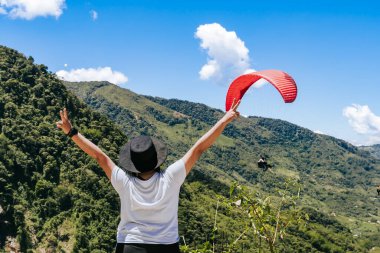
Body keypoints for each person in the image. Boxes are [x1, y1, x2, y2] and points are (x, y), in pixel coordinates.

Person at [55, 99, 241, 253]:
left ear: (132, 163)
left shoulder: (124, 181)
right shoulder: (171, 177)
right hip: (166, 247)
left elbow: (100, 156)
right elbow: (199, 148)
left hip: (130, 246)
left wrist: (71, 132)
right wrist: (224, 120)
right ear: (156, 159)